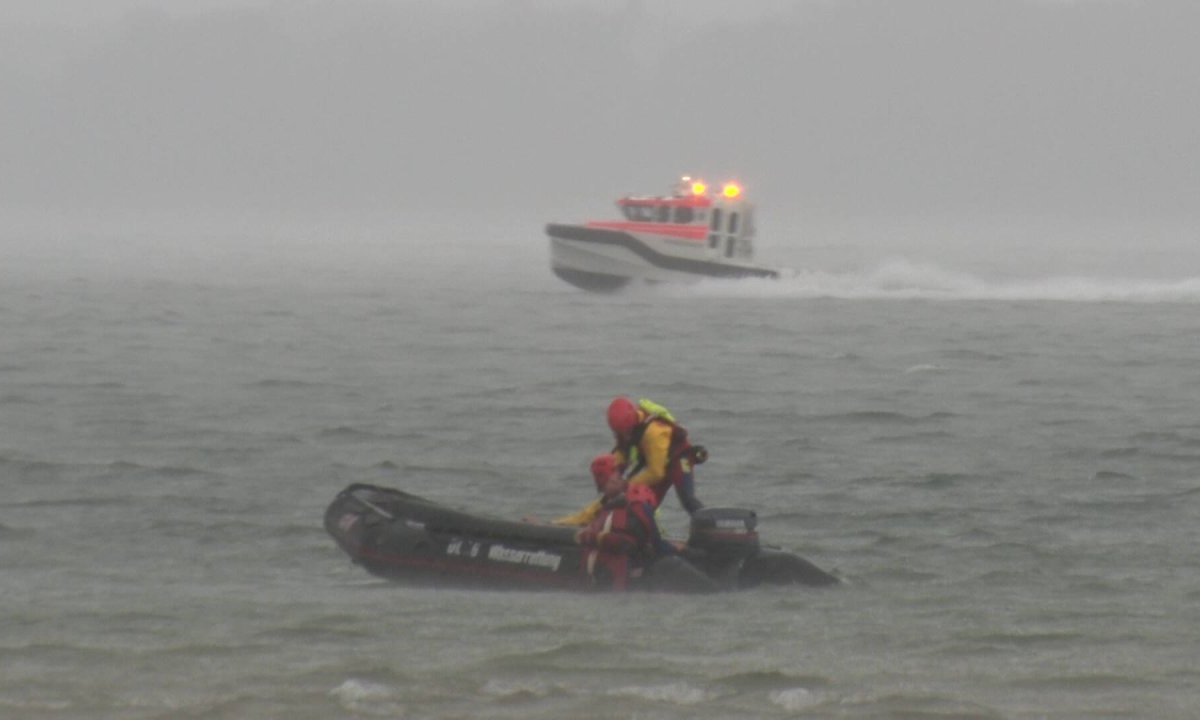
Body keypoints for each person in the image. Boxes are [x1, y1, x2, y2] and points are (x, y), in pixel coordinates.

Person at [554, 396, 706, 526]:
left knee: (687, 498)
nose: (624, 436)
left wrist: (627, 485)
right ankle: (581, 521)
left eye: (625, 433)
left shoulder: (653, 433)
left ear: (630, 424)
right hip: (656, 465)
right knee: (640, 505)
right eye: (620, 433)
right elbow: (619, 459)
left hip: (678, 459)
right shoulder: (627, 432)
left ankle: (708, 526)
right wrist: (609, 473)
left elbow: (656, 472)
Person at [574, 453, 661, 590]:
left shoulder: (632, 502)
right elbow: (584, 518)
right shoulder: (607, 505)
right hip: (637, 558)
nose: (618, 477)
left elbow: (633, 541)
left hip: (633, 563)